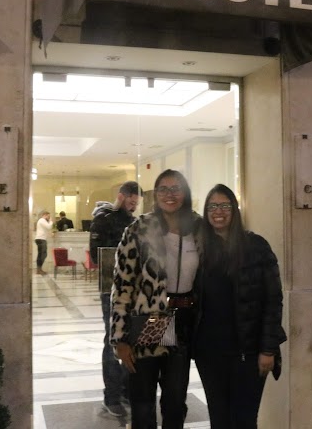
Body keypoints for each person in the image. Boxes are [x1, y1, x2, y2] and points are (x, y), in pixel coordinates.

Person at [110, 169, 203, 429]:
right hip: (153, 318)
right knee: (142, 401)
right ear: (155, 194)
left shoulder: (199, 228)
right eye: (163, 189)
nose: (169, 194)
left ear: (185, 193)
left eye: (176, 188)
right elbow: (122, 285)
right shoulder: (139, 229)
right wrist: (120, 338)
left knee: (175, 401)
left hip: (184, 318)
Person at [193, 184, 286, 429]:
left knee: (244, 420)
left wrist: (268, 349)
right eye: (212, 206)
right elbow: (188, 298)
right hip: (209, 353)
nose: (218, 211)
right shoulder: (199, 249)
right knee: (219, 419)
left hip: (249, 352)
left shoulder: (256, 246)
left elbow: (273, 300)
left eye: (225, 205)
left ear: (235, 209)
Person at [89, 180, 142, 418]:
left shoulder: (134, 222)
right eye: (130, 200)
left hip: (133, 289)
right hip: (109, 288)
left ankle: (126, 390)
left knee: (131, 339)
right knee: (113, 340)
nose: (133, 204)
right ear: (121, 196)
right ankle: (111, 396)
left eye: (136, 202)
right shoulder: (103, 219)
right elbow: (96, 255)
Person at [34, 210, 54, 275]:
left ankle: (39, 269)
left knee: (42, 254)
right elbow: (49, 227)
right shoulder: (42, 220)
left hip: (41, 239)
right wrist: (51, 221)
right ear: (44, 215)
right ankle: (39, 269)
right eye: (48, 216)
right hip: (41, 239)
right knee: (42, 254)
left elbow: (45, 230)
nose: (49, 218)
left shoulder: (42, 221)